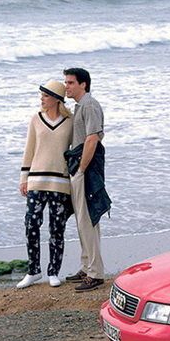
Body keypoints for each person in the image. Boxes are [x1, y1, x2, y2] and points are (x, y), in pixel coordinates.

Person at [16, 81, 74, 289]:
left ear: (57, 99)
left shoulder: (70, 121)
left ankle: (53, 271)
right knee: (31, 224)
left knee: (57, 228)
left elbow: (76, 150)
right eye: (41, 95)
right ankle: (33, 271)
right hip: (36, 181)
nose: (42, 98)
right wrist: (24, 178)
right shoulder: (36, 119)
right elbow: (29, 149)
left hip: (60, 182)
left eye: (46, 95)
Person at [63, 67, 110, 292]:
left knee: (88, 219)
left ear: (83, 84)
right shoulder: (80, 106)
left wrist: (81, 169)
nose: (67, 86)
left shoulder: (89, 105)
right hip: (81, 165)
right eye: (66, 82)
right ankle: (86, 266)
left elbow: (92, 139)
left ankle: (95, 273)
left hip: (87, 168)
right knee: (82, 219)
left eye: (71, 82)